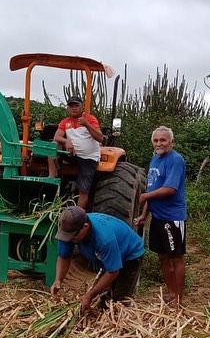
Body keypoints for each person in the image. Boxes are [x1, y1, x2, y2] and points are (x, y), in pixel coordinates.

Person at [50, 206, 144, 313]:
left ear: (85, 227)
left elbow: (112, 271)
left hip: (130, 255)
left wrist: (89, 295)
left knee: (118, 303)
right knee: (104, 301)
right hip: (110, 254)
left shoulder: (104, 239)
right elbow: (64, 256)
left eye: (73, 236)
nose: (70, 239)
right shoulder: (69, 231)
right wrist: (58, 279)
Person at [135, 126, 187, 305]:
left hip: (172, 218)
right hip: (157, 217)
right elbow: (153, 189)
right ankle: (171, 293)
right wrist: (144, 215)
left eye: (163, 140)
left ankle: (178, 298)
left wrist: (144, 197)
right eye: (156, 140)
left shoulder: (175, 160)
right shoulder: (155, 159)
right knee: (163, 256)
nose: (159, 143)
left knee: (176, 257)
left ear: (171, 142)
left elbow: (170, 189)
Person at [48, 95, 104, 209]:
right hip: (72, 155)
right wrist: (67, 141)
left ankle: (77, 216)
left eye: (76, 105)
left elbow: (100, 138)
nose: (74, 108)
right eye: (71, 106)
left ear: (81, 107)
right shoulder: (65, 122)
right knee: (53, 145)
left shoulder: (90, 119)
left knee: (83, 190)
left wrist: (87, 124)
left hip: (88, 158)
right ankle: (51, 178)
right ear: (67, 108)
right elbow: (57, 137)